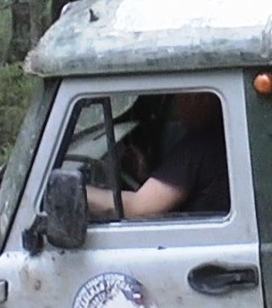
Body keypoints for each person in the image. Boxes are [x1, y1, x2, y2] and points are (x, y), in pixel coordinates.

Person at [86, 91, 230, 219]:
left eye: (178, 96)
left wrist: (81, 193)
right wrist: (146, 174)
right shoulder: (221, 140)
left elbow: (139, 208)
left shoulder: (200, 145)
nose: (176, 105)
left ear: (198, 99)